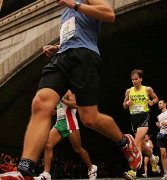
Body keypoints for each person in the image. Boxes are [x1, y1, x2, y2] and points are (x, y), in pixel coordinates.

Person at [0, 1, 141, 179]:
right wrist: (58, 46)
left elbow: (109, 14)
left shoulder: (78, 2)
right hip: (62, 58)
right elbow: (76, 33)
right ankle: (24, 170)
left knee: (89, 118)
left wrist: (73, 4)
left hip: (84, 56)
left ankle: (124, 141)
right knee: (40, 103)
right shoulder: (65, 12)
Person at [34, 90, 97, 180]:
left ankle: (91, 167)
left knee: (78, 149)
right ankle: (46, 174)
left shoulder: (69, 92)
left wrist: (63, 100)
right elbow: (63, 109)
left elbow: (76, 105)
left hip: (70, 124)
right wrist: (55, 112)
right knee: (48, 145)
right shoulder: (57, 94)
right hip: (59, 124)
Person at [122, 69, 159, 180]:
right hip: (134, 118)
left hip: (144, 116)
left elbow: (156, 98)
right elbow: (124, 105)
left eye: (136, 79)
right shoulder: (129, 91)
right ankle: (153, 158)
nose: (134, 81)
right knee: (142, 146)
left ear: (141, 79)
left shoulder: (147, 89)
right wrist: (127, 103)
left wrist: (152, 102)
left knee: (136, 141)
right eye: (132, 79)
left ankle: (133, 171)